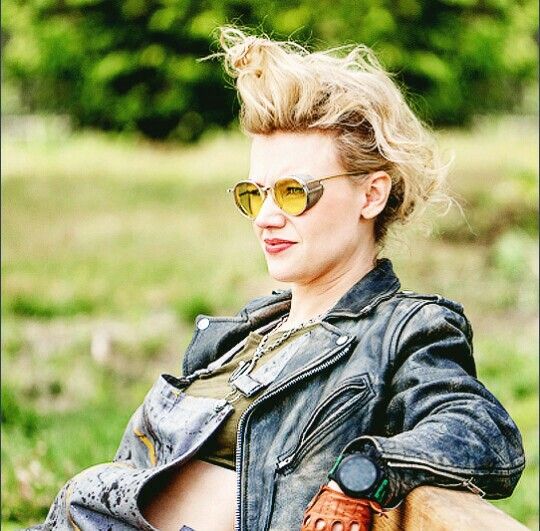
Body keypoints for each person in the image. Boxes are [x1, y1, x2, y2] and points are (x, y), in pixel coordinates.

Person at [31, 27, 524, 531]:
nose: (265, 217)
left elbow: (481, 433)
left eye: (292, 192)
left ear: (371, 195)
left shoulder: (401, 331)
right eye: (254, 193)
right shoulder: (247, 330)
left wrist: (366, 473)